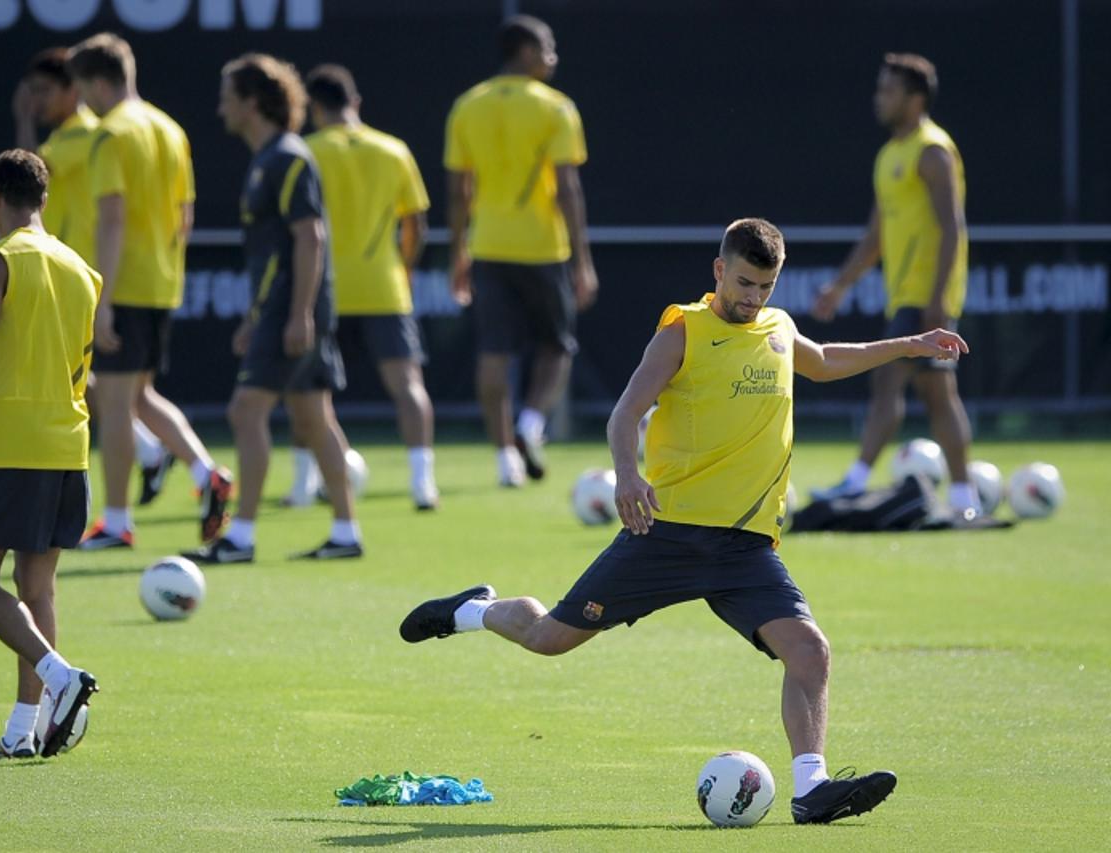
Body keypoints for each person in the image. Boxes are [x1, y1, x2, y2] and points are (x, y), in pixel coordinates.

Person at [400, 219, 967, 823]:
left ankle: (811, 789)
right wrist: (626, 475)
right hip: (666, 537)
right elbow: (625, 414)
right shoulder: (682, 330)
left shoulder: (778, 327)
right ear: (719, 270)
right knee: (550, 639)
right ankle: (475, 610)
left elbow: (825, 360)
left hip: (745, 549)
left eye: (766, 286)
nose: (753, 298)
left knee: (811, 652)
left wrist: (908, 345)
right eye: (745, 282)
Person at [0, 149, 100, 759]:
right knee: (37, 587)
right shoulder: (80, 267)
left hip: (13, 444)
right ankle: (23, 732)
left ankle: (61, 678)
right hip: (70, 445)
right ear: (45, 200)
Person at [185, 53, 362, 564]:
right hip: (283, 308)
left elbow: (311, 237)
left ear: (252, 102)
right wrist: (256, 315)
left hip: (295, 308)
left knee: (246, 411)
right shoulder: (269, 158)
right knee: (311, 414)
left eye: (227, 97)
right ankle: (347, 533)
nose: (221, 108)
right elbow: (276, 253)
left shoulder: (287, 157)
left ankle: (240, 537)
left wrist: (299, 314)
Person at [65, 33, 231, 550]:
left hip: (126, 285)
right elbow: (185, 217)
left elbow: (111, 220)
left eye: (82, 89)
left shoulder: (111, 133)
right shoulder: (170, 128)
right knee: (138, 396)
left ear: (97, 82)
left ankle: (116, 522)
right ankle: (206, 474)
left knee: (114, 405)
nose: (82, 102)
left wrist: (105, 299)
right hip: (160, 282)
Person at [810, 53, 978, 513]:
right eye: (880, 88)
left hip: (928, 293)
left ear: (915, 97)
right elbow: (875, 236)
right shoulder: (889, 155)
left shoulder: (932, 149)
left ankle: (858, 480)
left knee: (894, 381)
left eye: (889, 89)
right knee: (933, 391)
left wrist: (940, 299)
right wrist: (840, 286)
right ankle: (964, 496)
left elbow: (952, 227)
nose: (879, 98)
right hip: (904, 293)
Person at [11, 46, 174, 507]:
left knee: (106, 392)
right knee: (96, 387)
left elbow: (24, 180)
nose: (39, 101)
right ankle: (155, 454)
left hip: (91, 277)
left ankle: (123, 501)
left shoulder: (91, 135)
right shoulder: (86, 134)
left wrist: (103, 295)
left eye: (48, 90)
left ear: (77, 90)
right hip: (94, 276)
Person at [445, 14, 597, 487]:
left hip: (487, 246)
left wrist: (458, 253)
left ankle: (504, 459)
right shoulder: (555, 107)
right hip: (543, 249)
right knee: (557, 346)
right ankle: (531, 425)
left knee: (495, 353)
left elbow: (457, 192)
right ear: (527, 53)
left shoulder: (468, 105)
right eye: (548, 48)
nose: (554, 57)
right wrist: (583, 260)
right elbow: (568, 189)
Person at [278, 64, 437, 511]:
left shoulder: (304, 151)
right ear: (355, 103)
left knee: (306, 390)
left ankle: (302, 485)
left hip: (321, 289)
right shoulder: (393, 149)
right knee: (407, 386)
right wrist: (401, 268)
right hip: (383, 286)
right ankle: (423, 485)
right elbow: (416, 225)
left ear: (314, 108)